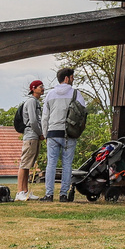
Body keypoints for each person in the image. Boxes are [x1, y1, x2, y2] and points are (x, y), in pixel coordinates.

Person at [40, 67, 85, 202]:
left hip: (52, 132)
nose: (73, 80)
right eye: (72, 77)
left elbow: (45, 117)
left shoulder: (50, 95)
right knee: (67, 165)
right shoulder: (76, 94)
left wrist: (45, 133)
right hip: (69, 133)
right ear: (67, 78)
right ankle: (63, 194)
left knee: (51, 164)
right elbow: (82, 114)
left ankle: (49, 194)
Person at [15, 79, 45, 201]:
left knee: (28, 165)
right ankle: (19, 191)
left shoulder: (36, 102)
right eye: (40, 87)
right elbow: (33, 121)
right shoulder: (31, 102)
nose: (42, 88)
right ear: (33, 89)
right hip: (31, 136)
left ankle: (26, 191)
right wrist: (40, 133)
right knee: (24, 164)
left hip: (34, 136)